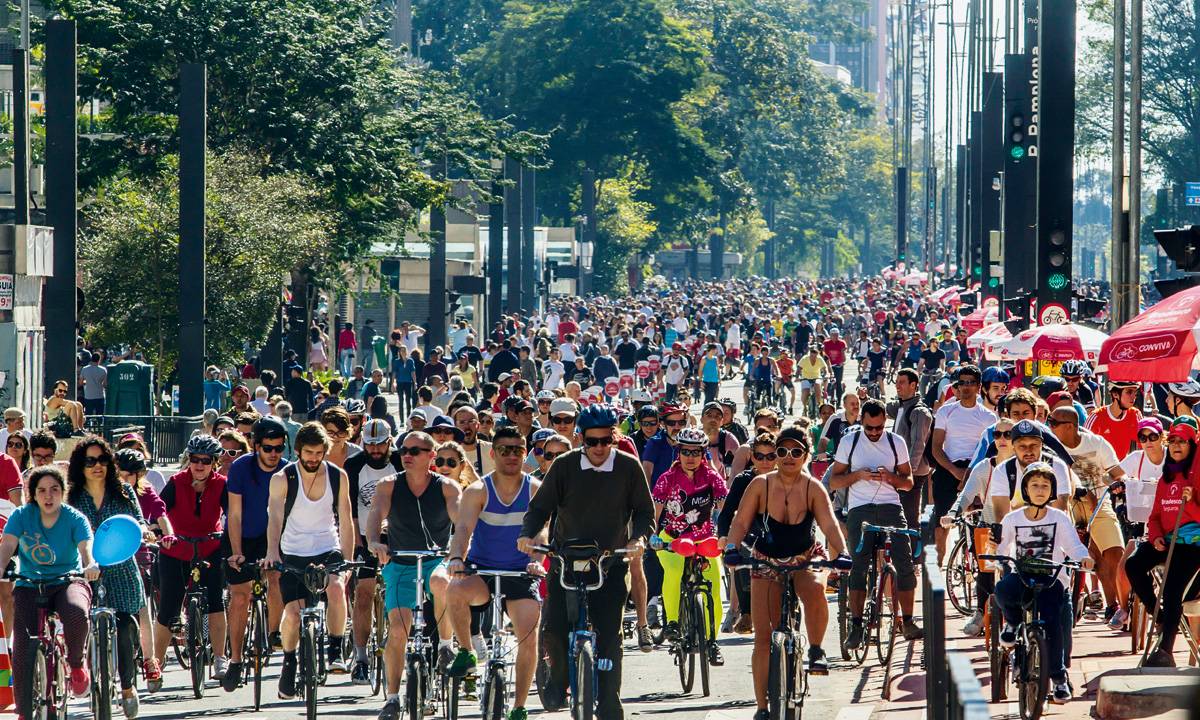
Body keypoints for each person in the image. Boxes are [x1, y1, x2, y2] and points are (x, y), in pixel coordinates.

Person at [516, 404, 654, 719]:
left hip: (610, 562)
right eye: (592, 441)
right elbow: (539, 509)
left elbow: (645, 512)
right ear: (581, 438)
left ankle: (609, 702)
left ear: (614, 438)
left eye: (606, 441)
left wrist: (638, 539)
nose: (599, 448)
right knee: (553, 627)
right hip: (565, 561)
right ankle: (560, 678)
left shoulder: (629, 467)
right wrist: (527, 535)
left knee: (609, 635)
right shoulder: (563, 466)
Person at [724, 427, 846, 718]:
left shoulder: (813, 486)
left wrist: (842, 553)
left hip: (804, 555)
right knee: (763, 638)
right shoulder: (760, 485)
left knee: (815, 588)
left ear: (805, 455)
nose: (788, 457)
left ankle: (816, 649)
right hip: (766, 559)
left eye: (795, 452)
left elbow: (829, 525)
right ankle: (763, 707)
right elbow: (740, 522)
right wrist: (731, 547)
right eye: (782, 451)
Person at [443, 426, 545, 720]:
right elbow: (462, 529)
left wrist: (537, 558)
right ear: (493, 453)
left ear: (524, 454)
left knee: (529, 634)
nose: (511, 456)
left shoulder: (535, 489)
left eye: (517, 450)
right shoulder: (478, 490)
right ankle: (466, 650)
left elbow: (542, 528)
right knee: (454, 591)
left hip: (520, 572)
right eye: (504, 450)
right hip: (483, 570)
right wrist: (455, 558)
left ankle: (519, 707)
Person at [366, 430, 462, 720]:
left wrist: (458, 553)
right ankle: (393, 699)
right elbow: (376, 515)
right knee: (398, 629)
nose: (407, 455)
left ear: (431, 457)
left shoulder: (447, 487)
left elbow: (462, 523)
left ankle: (446, 646)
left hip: (436, 559)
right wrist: (374, 541)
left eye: (416, 451)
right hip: (400, 561)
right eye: (404, 450)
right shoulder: (388, 485)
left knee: (440, 582)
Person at [0, 466, 100, 719]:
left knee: (76, 613)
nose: (48, 496)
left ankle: (76, 664)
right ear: (32, 493)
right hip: (29, 583)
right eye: (42, 490)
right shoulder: (22, 515)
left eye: (54, 489)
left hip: (68, 581)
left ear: (63, 492)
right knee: (22, 647)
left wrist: (90, 565)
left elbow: (86, 547)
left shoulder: (75, 518)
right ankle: (24, 711)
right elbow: (8, 545)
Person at [265, 422, 356, 698]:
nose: (313, 458)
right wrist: (272, 551)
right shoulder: (283, 478)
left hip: (327, 547)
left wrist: (348, 561)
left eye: (318, 453)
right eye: (308, 453)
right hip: (293, 551)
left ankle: (336, 648)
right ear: (298, 452)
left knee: (337, 588)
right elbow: (275, 518)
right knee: (293, 613)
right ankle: (290, 662)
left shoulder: (338, 476)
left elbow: (346, 520)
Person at [994, 462, 1094, 704]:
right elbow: (1002, 547)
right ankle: (1012, 624)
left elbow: (1073, 545)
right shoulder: (1012, 518)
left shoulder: (1059, 518)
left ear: (1052, 491)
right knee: (1002, 590)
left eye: (1045, 486)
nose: (1040, 490)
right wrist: (998, 559)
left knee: (1052, 625)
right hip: (1021, 575)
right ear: (1026, 489)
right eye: (1035, 485)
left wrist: (1085, 558)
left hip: (1051, 579)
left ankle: (1058, 678)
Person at [829, 398, 923, 647]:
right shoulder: (850, 442)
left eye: (879, 428)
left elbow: (909, 482)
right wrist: (857, 475)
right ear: (862, 422)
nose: (874, 433)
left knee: (905, 561)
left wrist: (890, 477)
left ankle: (908, 620)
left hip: (891, 506)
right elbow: (834, 481)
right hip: (860, 508)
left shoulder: (896, 442)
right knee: (858, 565)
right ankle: (857, 625)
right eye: (870, 428)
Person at [66, 437, 147, 717]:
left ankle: (127, 686)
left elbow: (138, 521)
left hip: (121, 568)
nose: (97, 466)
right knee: (80, 621)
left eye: (102, 460)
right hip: (85, 570)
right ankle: (83, 669)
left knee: (125, 626)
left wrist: (146, 532)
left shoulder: (123, 491)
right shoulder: (72, 497)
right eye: (90, 461)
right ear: (80, 465)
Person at [153, 434, 230, 684]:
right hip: (177, 549)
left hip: (209, 546)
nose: (199, 465)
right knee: (169, 607)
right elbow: (159, 513)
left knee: (216, 602)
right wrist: (160, 533)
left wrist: (232, 539)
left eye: (205, 461)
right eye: (195, 459)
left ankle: (219, 658)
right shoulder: (176, 482)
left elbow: (233, 515)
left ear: (214, 462)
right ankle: (157, 662)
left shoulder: (221, 484)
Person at [1124, 419, 1200, 666]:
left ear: (1191, 446)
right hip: (1165, 541)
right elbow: (1155, 515)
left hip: (1192, 545)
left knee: (1172, 589)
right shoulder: (1165, 479)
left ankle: (1166, 651)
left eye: (1182, 441)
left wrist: (1191, 501)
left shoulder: (1196, 478)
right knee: (1133, 565)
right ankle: (1158, 614)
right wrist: (1155, 536)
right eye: (1173, 441)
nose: (1177, 445)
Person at [221, 417, 289, 691]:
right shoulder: (240, 468)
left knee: (274, 577)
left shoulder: (287, 471)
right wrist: (237, 552)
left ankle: (273, 632)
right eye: (268, 448)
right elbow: (234, 514)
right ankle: (235, 659)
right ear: (256, 446)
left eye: (279, 448)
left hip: (273, 535)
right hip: (243, 535)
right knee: (239, 597)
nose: (274, 454)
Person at [652, 427, 728, 666]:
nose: (691, 456)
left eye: (696, 452)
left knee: (714, 584)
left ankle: (713, 642)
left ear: (704, 453)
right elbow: (655, 514)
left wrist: (728, 535)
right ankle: (672, 622)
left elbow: (725, 509)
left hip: (704, 539)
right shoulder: (667, 478)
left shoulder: (712, 476)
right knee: (674, 571)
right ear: (678, 452)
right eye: (685, 451)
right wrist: (653, 537)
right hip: (672, 538)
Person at [1046, 405, 1128, 624]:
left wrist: (1120, 483)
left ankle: (1117, 606)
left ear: (1071, 426)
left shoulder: (1096, 443)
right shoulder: (1049, 448)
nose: (1049, 427)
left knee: (1114, 552)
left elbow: (1118, 473)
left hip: (1099, 504)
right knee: (1087, 555)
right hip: (1067, 503)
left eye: (1053, 423)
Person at [941, 417, 1015, 636]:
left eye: (1007, 435)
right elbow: (966, 495)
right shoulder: (985, 467)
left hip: (1017, 527)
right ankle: (981, 612)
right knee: (985, 571)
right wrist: (953, 513)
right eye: (997, 435)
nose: (1002, 439)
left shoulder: (1023, 466)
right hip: (990, 527)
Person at [344, 419, 402, 684]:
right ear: (362, 442)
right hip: (366, 535)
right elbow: (351, 511)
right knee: (363, 592)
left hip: (398, 536)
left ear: (389, 442)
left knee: (399, 591)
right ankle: (361, 658)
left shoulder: (400, 462)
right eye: (370, 444)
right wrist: (358, 544)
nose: (375, 449)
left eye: (380, 444)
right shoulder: (353, 465)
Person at [114, 447, 173, 690]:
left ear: (140, 474)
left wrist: (167, 535)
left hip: (139, 556)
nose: (125, 479)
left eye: (131, 474)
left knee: (142, 606)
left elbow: (161, 513)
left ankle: (150, 660)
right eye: (121, 473)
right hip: (111, 558)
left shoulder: (146, 492)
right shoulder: (107, 492)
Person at [930, 366, 996, 560]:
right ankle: (940, 564)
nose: (966, 387)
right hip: (948, 468)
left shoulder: (988, 416)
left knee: (983, 522)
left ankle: (981, 567)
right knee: (941, 522)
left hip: (977, 470)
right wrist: (954, 470)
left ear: (979, 387)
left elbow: (989, 450)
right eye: (962, 383)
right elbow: (936, 447)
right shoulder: (946, 412)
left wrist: (969, 474)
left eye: (971, 383)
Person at [888, 368, 933, 530]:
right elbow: (885, 408)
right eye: (896, 382)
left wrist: (908, 474)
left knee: (909, 519)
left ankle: (914, 552)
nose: (897, 386)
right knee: (897, 517)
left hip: (912, 474)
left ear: (913, 385)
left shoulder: (920, 412)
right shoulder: (901, 405)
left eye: (902, 383)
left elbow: (918, 445)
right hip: (900, 472)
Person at [1086, 380, 1143, 461]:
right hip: (1099, 468)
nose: (1134, 397)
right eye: (1129, 392)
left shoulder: (1135, 414)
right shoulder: (1096, 416)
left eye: (1135, 393)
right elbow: (1083, 448)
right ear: (1115, 394)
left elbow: (1144, 443)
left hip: (1122, 467)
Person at [80, 352, 108, 417]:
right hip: (100, 396)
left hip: (89, 396)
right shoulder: (103, 370)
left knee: (88, 416)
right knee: (100, 416)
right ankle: (99, 426)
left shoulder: (85, 369)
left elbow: (80, 383)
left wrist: (86, 382)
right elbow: (105, 384)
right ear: (99, 359)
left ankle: (88, 426)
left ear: (91, 359)